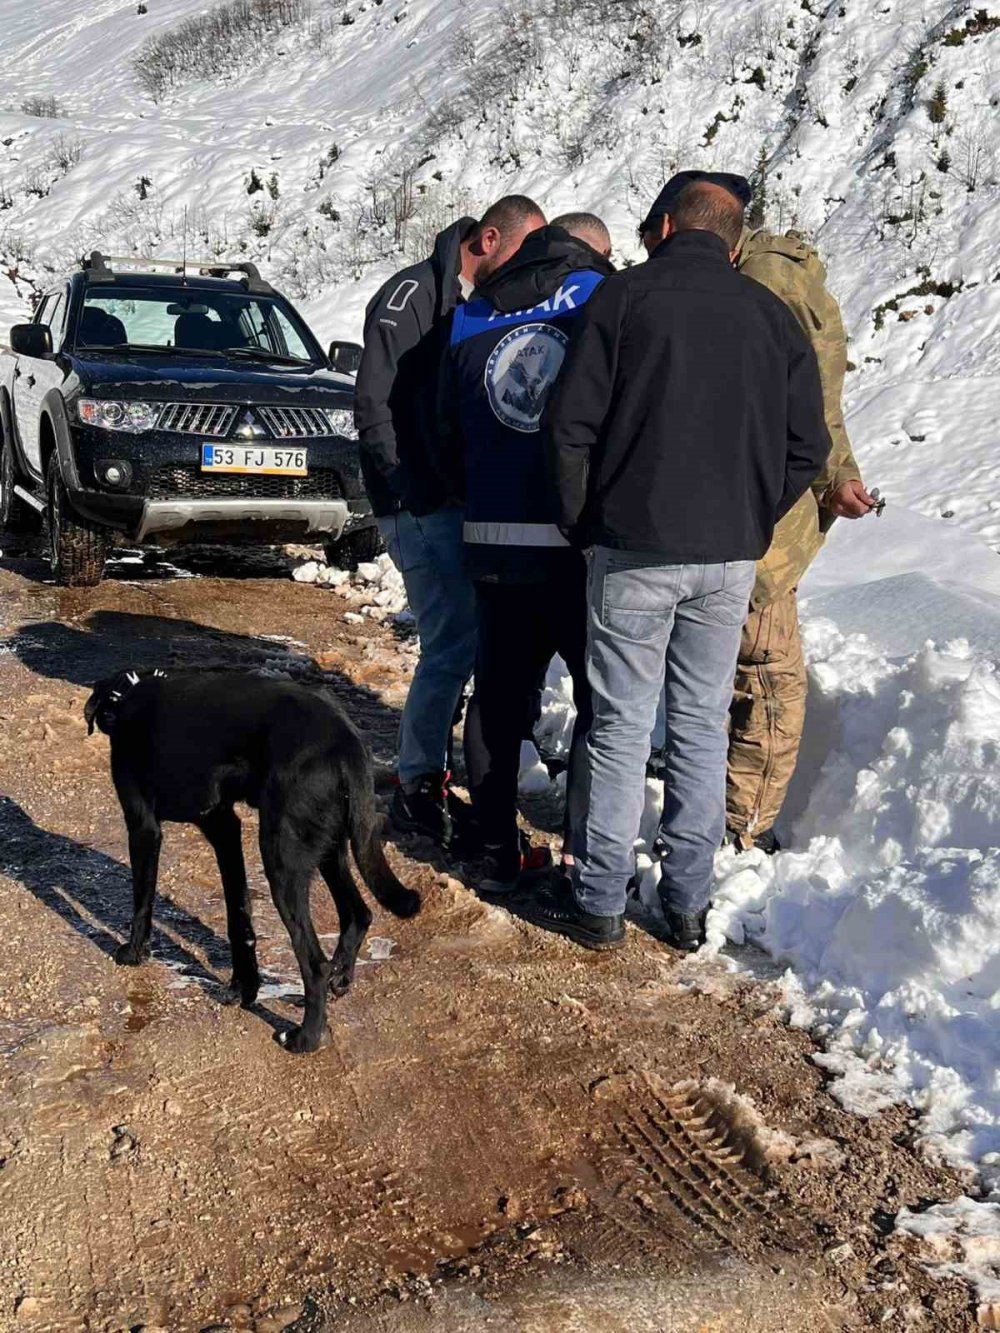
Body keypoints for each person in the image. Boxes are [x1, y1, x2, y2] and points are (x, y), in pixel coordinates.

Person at [533, 177, 831, 952]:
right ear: (735, 244)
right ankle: (687, 903)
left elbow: (567, 428)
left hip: (632, 547)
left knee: (623, 723)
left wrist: (583, 522)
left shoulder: (623, 300)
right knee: (699, 725)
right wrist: (752, 512)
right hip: (728, 555)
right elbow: (809, 447)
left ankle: (599, 899)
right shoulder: (772, 316)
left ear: (664, 226)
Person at [637, 171, 877, 854]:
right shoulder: (779, 280)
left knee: (764, 673)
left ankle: (744, 827)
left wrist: (823, 477)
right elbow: (817, 407)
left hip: (748, 521)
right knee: (735, 668)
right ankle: (723, 808)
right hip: (751, 512)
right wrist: (837, 475)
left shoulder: (761, 287)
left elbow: (793, 411)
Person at [354, 196, 546, 846]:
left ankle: (425, 773)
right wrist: (409, 487)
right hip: (415, 503)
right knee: (450, 644)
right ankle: (416, 785)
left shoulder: (468, 303)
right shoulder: (413, 294)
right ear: (488, 239)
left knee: (459, 641)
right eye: (524, 254)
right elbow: (372, 400)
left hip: (445, 499)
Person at [435, 214, 615, 891]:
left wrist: (481, 495)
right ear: (594, 248)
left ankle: (495, 846)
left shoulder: (473, 311)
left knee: (497, 698)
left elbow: (445, 428)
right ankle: (582, 853)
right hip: (575, 546)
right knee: (601, 701)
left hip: (493, 539)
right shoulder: (601, 293)